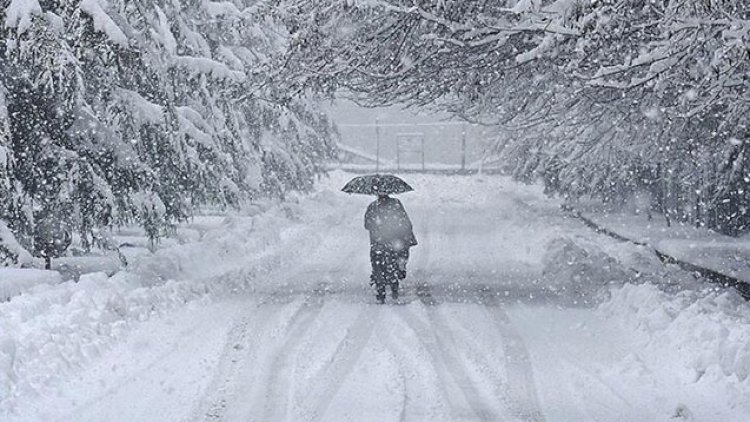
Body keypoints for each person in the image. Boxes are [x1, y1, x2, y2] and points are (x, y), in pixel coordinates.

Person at [364, 192, 417, 303]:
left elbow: (367, 225)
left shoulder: (373, 207)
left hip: (378, 243)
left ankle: (380, 291)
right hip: (393, 242)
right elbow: (405, 221)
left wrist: (378, 227)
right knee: (392, 265)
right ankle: (394, 288)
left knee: (378, 267)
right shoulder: (396, 204)